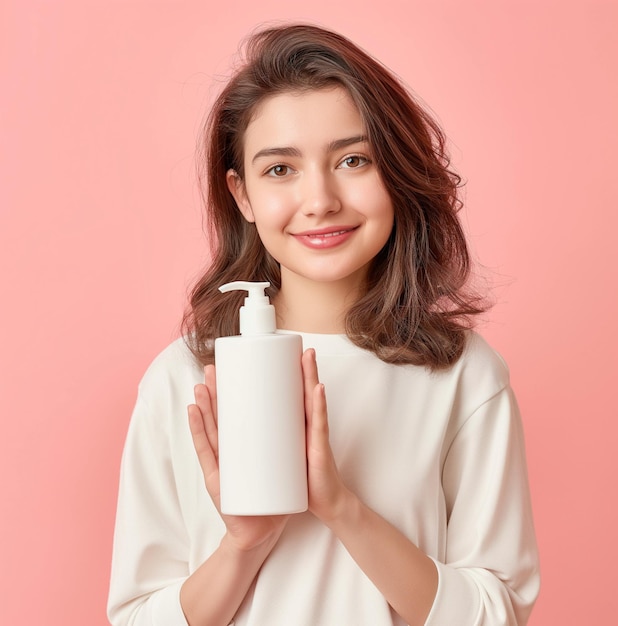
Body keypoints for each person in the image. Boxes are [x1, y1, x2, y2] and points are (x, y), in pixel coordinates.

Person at [107, 23, 540, 626]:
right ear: (243, 196)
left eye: (353, 160)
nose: (320, 200)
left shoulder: (462, 374)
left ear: (395, 171)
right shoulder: (187, 378)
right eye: (280, 170)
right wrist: (244, 544)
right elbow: (135, 617)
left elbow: (499, 613)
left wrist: (340, 506)